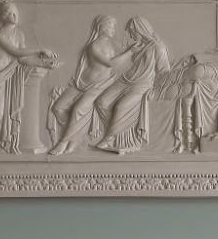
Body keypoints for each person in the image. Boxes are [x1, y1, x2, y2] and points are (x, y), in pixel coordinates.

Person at [0, 0, 59, 155]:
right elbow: (15, 52)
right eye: (8, 12)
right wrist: (41, 49)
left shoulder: (19, 34)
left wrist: (44, 64)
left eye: (15, 12)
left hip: (1, 75)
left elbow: (22, 59)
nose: (14, 15)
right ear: (2, 16)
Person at [47, 15, 134, 155]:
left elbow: (127, 53)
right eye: (110, 26)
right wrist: (131, 52)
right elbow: (110, 63)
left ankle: (63, 142)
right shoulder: (93, 46)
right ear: (100, 27)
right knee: (58, 107)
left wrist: (134, 49)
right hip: (82, 83)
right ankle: (74, 135)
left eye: (113, 26)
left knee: (78, 110)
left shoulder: (115, 45)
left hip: (100, 85)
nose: (113, 29)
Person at [93, 17, 172, 154]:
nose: (130, 35)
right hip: (125, 80)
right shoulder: (137, 45)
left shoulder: (158, 47)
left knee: (120, 107)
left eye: (132, 31)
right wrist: (129, 51)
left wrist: (155, 89)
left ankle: (109, 138)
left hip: (142, 85)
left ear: (140, 30)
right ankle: (118, 132)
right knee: (101, 102)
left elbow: (165, 72)